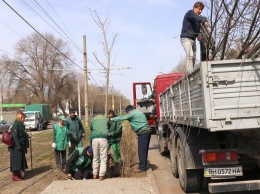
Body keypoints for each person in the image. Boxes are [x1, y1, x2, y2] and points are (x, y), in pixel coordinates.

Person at [112, 105, 151, 173]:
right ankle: (144, 165)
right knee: (144, 150)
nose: (128, 114)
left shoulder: (132, 114)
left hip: (143, 132)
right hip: (147, 131)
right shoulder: (139, 112)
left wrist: (112, 119)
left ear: (128, 111)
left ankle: (142, 168)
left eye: (127, 112)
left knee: (141, 151)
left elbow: (122, 118)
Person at [180, 1, 210, 73]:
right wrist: (204, 21)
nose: (200, 11)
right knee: (190, 54)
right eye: (199, 9)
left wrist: (198, 35)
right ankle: (189, 72)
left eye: (201, 10)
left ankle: (192, 69)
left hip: (192, 39)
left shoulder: (197, 19)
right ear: (194, 8)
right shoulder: (190, 13)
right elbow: (196, 17)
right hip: (186, 38)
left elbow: (196, 28)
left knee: (193, 56)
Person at [9, 112, 29, 181]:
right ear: (20, 117)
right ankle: (15, 175)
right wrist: (18, 145)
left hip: (21, 144)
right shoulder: (16, 124)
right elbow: (15, 135)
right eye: (23, 118)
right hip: (16, 146)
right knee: (16, 160)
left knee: (20, 160)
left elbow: (22, 134)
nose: (24, 119)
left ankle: (19, 174)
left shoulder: (20, 124)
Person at [90, 114, 109, 181]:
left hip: (94, 139)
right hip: (103, 139)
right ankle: (101, 175)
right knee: (103, 157)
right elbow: (108, 127)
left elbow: (91, 128)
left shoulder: (93, 120)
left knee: (95, 157)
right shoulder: (106, 119)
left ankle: (95, 174)